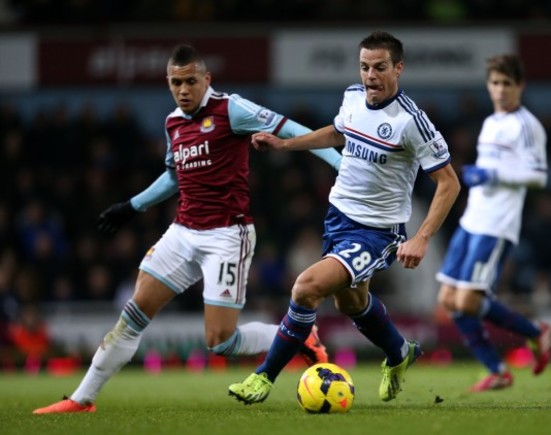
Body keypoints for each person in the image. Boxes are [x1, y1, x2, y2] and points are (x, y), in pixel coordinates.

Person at [33, 44, 341, 414]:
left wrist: (342, 165)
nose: (183, 90)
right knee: (132, 314)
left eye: (190, 81)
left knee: (220, 342)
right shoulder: (172, 122)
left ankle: (298, 334)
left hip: (228, 236)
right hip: (182, 232)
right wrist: (133, 205)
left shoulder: (232, 109)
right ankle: (82, 399)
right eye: (175, 82)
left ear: (206, 79)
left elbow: (292, 128)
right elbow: (173, 177)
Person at [228, 31, 460, 404]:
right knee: (350, 304)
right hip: (338, 219)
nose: (371, 76)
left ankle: (263, 377)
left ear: (398, 68)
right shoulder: (353, 97)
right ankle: (400, 353)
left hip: (377, 232)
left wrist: (422, 236)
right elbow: (338, 133)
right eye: (365, 67)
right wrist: (285, 143)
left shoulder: (411, 121)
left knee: (306, 288)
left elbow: (449, 183)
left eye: (380, 68)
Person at [435, 54, 551, 392]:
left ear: (520, 86)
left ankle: (535, 333)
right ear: (488, 86)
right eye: (495, 83)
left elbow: (538, 176)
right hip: (473, 219)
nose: (500, 90)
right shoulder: (490, 123)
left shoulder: (526, 125)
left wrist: (492, 174)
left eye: (507, 83)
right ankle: (498, 369)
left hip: (498, 225)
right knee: (448, 298)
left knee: (468, 302)